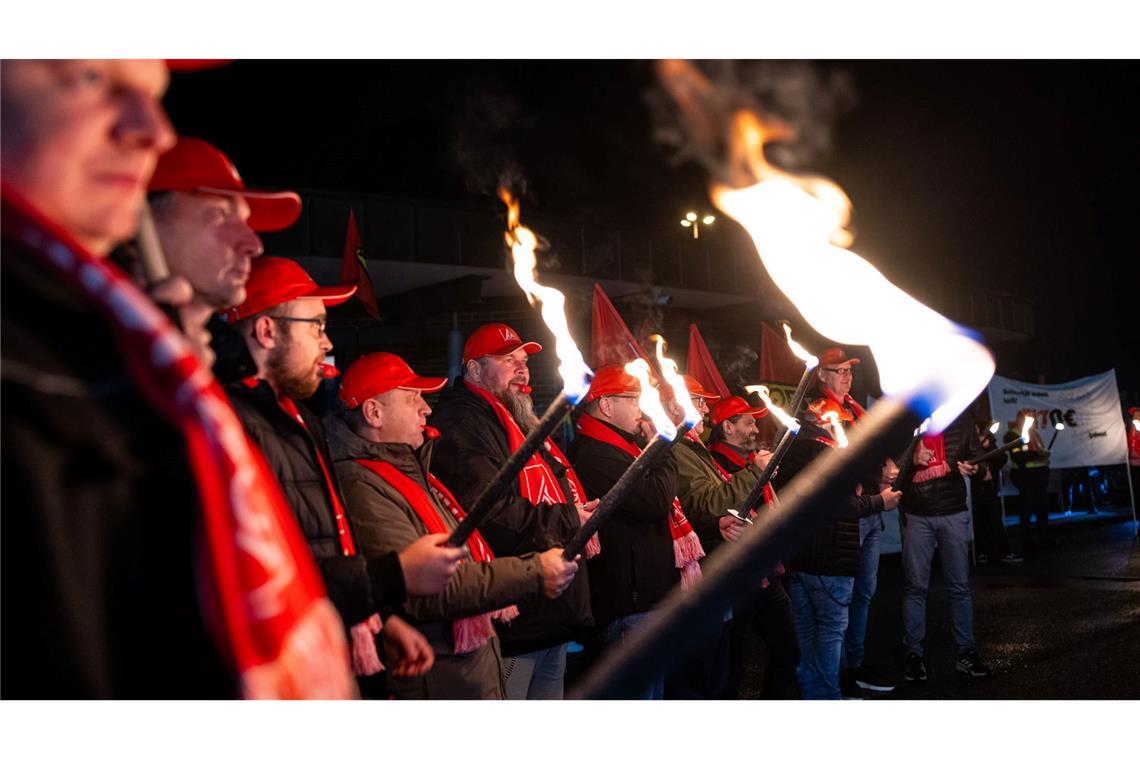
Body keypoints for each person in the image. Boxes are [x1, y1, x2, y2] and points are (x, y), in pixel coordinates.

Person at [1, 59, 352, 698]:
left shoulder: (159, 374)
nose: (155, 130)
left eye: (155, 94)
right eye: (86, 76)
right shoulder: (69, 371)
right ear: (146, 217)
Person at [223, 256, 466, 692]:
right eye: (316, 325)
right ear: (266, 331)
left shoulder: (297, 421)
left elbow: (326, 545)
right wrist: (394, 577)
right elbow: (272, 572)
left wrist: (379, 620)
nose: (327, 341)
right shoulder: (234, 425)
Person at [326, 351, 580, 698]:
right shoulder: (363, 486)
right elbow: (434, 585)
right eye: (412, 398)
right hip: (438, 678)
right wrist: (534, 571)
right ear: (374, 412)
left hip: (465, 669)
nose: (426, 409)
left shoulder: (415, 475)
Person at [429, 322, 596, 700]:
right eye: (508, 360)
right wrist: (569, 520)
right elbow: (488, 508)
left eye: (523, 361)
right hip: (516, 615)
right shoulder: (464, 423)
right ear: (474, 370)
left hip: (545, 611)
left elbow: (543, 487)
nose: (522, 369)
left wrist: (574, 509)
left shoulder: (513, 417)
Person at [567, 364, 699, 699]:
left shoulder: (621, 446)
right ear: (607, 406)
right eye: (632, 399)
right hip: (627, 605)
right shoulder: (595, 452)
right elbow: (653, 499)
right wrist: (665, 450)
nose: (640, 407)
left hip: (644, 599)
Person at [773, 357, 900, 700]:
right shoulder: (819, 417)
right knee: (830, 616)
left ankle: (842, 676)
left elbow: (863, 456)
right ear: (821, 376)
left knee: (857, 597)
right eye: (838, 371)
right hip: (836, 528)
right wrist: (873, 494)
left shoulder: (854, 410)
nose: (846, 377)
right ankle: (834, 684)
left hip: (858, 514)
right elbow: (829, 484)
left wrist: (881, 471)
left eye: (849, 371)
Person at [146, 136, 301, 378]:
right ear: (142, 220)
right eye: (221, 214)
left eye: (246, 221)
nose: (254, 245)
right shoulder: (85, 361)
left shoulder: (225, 371)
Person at [704, 394, 799, 699]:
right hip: (736, 576)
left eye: (756, 422)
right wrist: (756, 474)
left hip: (765, 572)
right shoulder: (714, 462)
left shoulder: (751, 461)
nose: (756, 429)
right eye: (748, 422)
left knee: (787, 649)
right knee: (733, 662)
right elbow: (720, 505)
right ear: (727, 427)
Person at [897, 410, 993, 681]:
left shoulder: (962, 420)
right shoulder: (908, 421)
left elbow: (980, 462)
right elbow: (891, 472)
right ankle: (913, 655)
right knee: (915, 587)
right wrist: (912, 459)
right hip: (916, 514)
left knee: (959, 586)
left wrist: (976, 469)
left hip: (952, 511)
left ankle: (966, 653)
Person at [971, 419, 1021, 565]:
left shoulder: (988, 442)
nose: (974, 430)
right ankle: (981, 553)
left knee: (995, 521)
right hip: (975, 490)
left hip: (990, 488)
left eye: (976, 427)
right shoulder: (967, 445)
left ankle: (1003, 552)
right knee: (979, 522)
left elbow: (1001, 459)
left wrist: (989, 447)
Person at [1006, 409, 1056, 552]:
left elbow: (1039, 452)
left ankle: (1044, 540)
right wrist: (1037, 454)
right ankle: (1027, 543)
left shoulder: (1034, 433)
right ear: (1019, 420)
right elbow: (1018, 457)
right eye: (1027, 419)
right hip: (1025, 477)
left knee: (1042, 510)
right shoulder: (1012, 435)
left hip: (1039, 477)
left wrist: (1043, 455)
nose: (1031, 422)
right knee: (1026, 510)